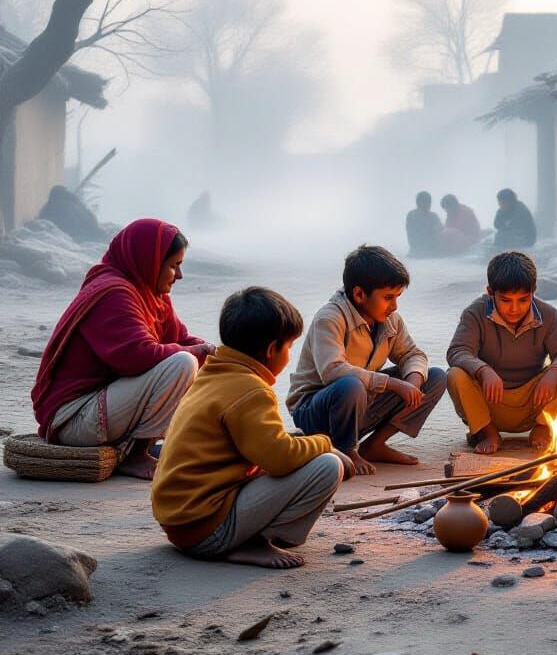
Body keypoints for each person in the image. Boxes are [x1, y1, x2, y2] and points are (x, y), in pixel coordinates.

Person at [152, 287, 352, 568]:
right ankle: (252, 542)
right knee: (328, 466)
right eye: (289, 346)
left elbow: (263, 444)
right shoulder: (251, 390)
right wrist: (325, 443)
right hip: (207, 531)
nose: (288, 354)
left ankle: (242, 538)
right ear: (272, 350)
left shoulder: (212, 374)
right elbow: (279, 458)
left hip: (181, 525)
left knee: (304, 451)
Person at [30, 218, 214, 480]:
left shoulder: (150, 294)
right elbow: (137, 356)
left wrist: (216, 352)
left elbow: (181, 338)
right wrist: (198, 352)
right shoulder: (114, 293)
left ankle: (146, 446)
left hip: (99, 406)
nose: (180, 276)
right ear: (149, 262)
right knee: (182, 364)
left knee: (193, 360)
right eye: (174, 266)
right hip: (73, 420)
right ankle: (137, 454)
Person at [287, 245, 446, 475]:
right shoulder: (330, 318)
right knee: (351, 384)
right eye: (388, 297)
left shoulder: (391, 320)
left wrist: (412, 382)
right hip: (317, 411)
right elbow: (333, 371)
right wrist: (393, 384)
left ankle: (374, 445)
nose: (394, 306)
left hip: (361, 405)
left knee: (435, 377)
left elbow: (412, 354)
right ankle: (347, 450)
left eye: (397, 297)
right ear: (359, 294)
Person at [446, 251, 557, 454]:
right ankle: (486, 432)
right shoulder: (474, 313)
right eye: (506, 300)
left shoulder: (548, 314)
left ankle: (544, 427)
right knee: (455, 375)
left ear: (533, 291)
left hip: (535, 401)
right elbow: (457, 351)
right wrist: (483, 370)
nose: (514, 308)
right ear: (490, 292)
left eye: (523, 300)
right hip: (490, 399)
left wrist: (554, 371)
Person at [405, 191, 442, 258]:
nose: (428, 205)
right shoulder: (412, 215)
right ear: (418, 203)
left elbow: (440, 232)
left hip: (432, 250)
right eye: (426, 202)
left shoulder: (433, 216)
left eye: (429, 202)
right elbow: (411, 235)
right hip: (417, 251)